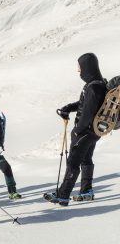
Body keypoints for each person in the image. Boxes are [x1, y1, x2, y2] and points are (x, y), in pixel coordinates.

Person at [44, 53, 106, 206]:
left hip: (85, 132)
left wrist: (78, 130)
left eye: (80, 67)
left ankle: (63, 195)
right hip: (94, 132)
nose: (79, 70)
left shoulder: (93, 86)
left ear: (87, 67)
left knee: (73, 162)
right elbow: (84, 103)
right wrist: (69, 108)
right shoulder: (98, 83)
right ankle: (86, 191)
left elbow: (88, 112)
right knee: (86, 159)